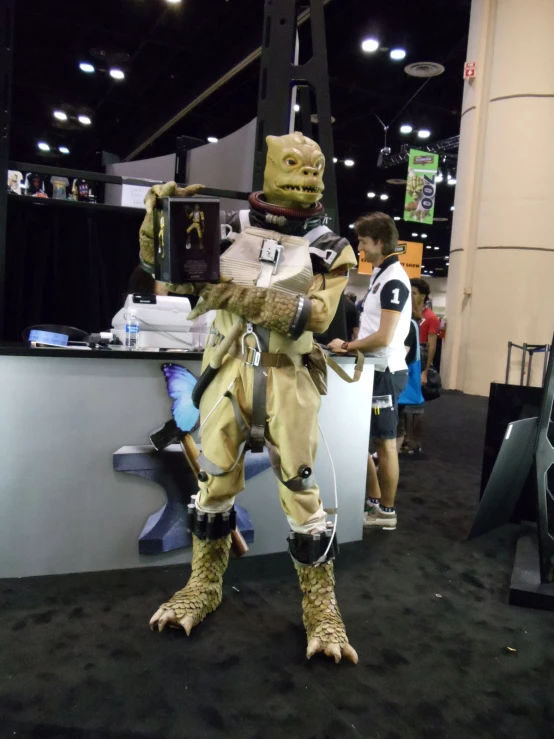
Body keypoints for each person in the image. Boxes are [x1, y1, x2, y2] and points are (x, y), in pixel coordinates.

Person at [328, 212, 411, 531]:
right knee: (364, 439)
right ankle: (374, 502)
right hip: (372, 369)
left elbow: (384, 336)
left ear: (378, 241)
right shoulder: (381, 274)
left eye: (363, 241)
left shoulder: (393, 279)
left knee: (385, 443)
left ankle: (387, 512)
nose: (359, 247)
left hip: (385, 371)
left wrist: (347, 347)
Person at [402, 278, 440, 454]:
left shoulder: (431, 318)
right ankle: (403, 439)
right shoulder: (407, 313)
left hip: (420, 357)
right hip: (408, 356)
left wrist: (425, 371)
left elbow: (432, 346)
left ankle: (415, 442)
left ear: (423, 296)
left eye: (415, 293)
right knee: (403, 401)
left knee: (416, 404)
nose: (411, 295)